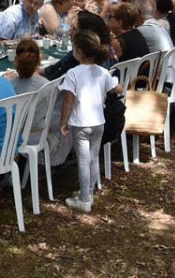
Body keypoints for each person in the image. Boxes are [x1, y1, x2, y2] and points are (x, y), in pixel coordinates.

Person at [58, 30, 122, 213]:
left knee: (83, 160)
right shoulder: (102, 72)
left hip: (80, 122)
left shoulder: (73, 73)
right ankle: (88, 192)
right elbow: (117, 88)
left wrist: (63, 122)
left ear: (78, 51)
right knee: (94, 158)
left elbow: (68, 100)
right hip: (98, 122)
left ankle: (85, 199)